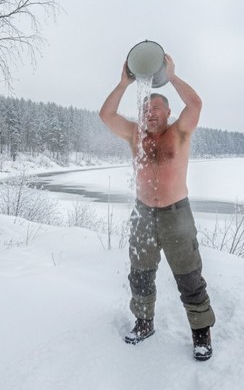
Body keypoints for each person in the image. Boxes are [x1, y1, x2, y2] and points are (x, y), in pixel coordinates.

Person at [98, 53, 216, 361]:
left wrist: (173, 76)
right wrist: (124, 82)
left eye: (156, 108)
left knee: (189, 278)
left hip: (177, 214)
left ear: (167, 112)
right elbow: (106, 115)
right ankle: (144, 322)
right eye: (145, 108)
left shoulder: (179, 133)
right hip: (143, 214)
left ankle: (201, 333)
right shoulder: (134, 134)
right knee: (140, 274)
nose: (149, 112)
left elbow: (196, 105)